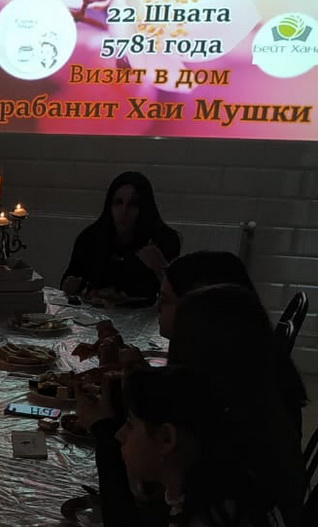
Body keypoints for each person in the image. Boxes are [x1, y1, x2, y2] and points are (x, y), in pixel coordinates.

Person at [82, 284, 306, 527]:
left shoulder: (219, 487)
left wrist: (104, 430)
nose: (159, 310)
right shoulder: (241, 414)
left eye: (166, 301)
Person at [118, 366, 287, 527]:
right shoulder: (219, 492)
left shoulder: (210, 518)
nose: (119, 434)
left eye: (130, 424)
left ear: (167, 438)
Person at [62, 171, 180, 299]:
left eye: (133, 204)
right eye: (118, 202)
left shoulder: (164, 240)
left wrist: (160, 267)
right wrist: (71, 285)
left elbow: (178, 297)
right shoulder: (91, 238)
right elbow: (69, 280)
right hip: (95, 310)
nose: (124, 211)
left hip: (147, 310)